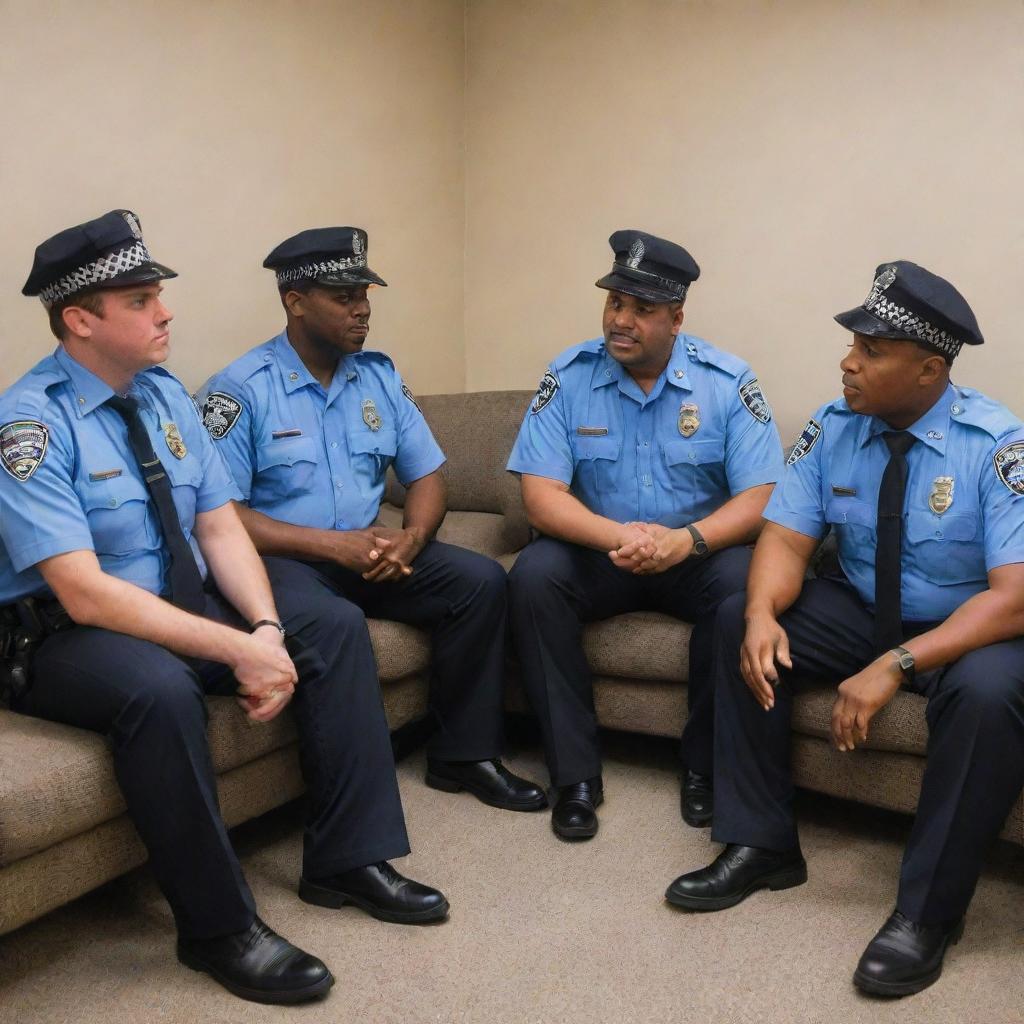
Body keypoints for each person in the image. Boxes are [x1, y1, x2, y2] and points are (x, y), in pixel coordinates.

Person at [0, 210, 448, 1007]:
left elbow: (217, 525)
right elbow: (82, 590)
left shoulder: (167, 397)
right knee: (160, 690)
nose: (165, 311)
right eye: (140, 300)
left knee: (330, 625)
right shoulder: (30, 424)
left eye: (157, 295)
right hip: (63, 635)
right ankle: (218, 930)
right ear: (80, 319)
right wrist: (236, 649)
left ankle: (348, 859)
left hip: (177, 597)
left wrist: (268, 627)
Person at [666, 261, 1024, 997]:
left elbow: (1014, 597)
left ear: (929, 370)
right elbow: (788, 539)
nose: (847, 362)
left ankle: (927, 914)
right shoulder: (833, 427)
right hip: (862, 605)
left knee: (989, 697)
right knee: (736, 612)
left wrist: (895, 663)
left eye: (871, 351)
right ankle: (760, 843)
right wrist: (764, 614)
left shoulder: (996, 444)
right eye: (852, 345)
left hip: (967, 625)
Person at [197, 227, 544, 813]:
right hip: (283, 564)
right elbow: (222, 517)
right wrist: (333, 547)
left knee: (480, 583)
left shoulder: (378, 377)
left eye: (365, 295)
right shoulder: (240, 390)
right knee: (336, 623)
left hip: (374, 551)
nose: (361, 310)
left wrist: (413, 537)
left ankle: (464, 755)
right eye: (343, 297)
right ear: (294, 300)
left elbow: (429, 475)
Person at [506, 230, 783, 839]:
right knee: (532, 577)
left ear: (677, 317)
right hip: (604, 551)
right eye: (614, 304)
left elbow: (762, 498)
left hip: (696, 554)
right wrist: (615, 537)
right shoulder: (569, 374)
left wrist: (689, 541)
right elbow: (541, 496)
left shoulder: (728, 382)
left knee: (745, 588)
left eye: (642, 309)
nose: (621, 321)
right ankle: (575, 776)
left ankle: (705, 769)